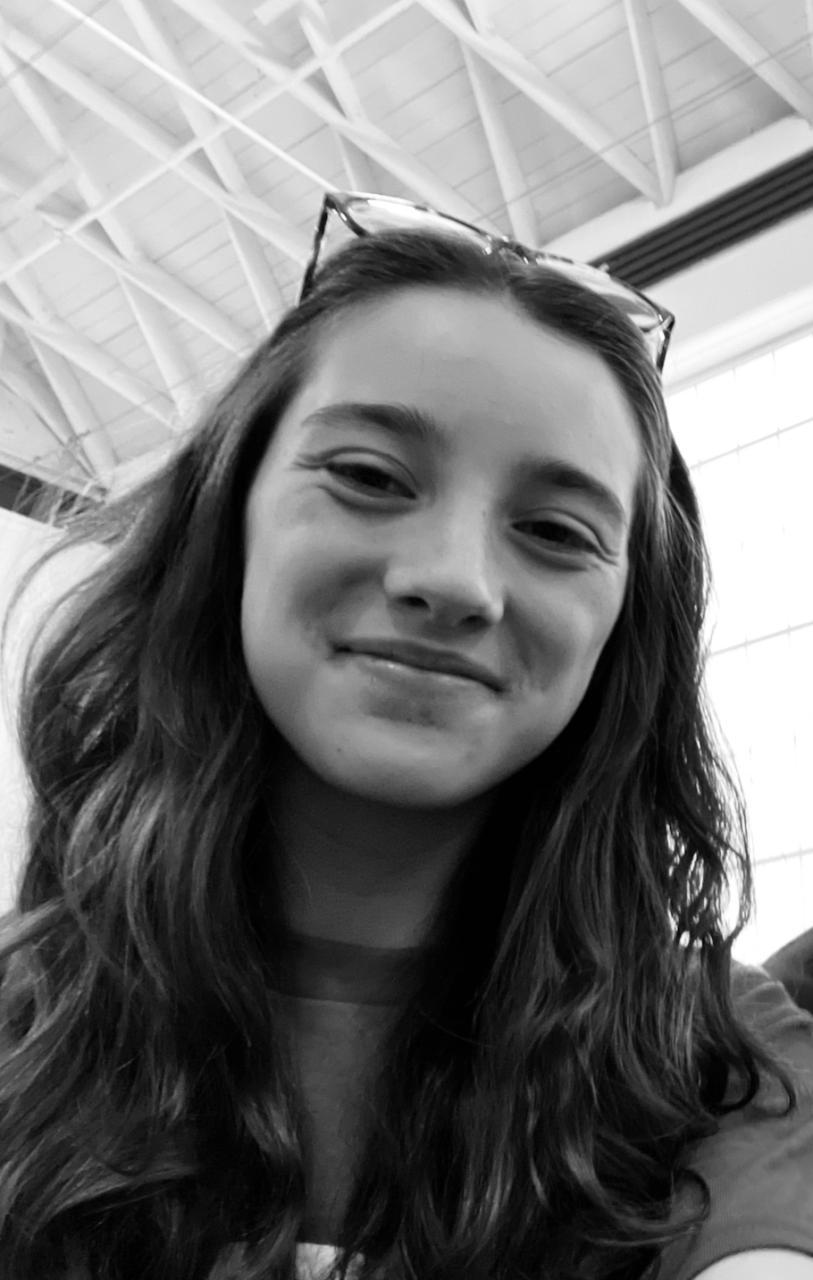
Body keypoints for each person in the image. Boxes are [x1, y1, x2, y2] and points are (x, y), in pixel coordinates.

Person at [0, 191, 811, 1280]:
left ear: (627, 627)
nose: (453, 580)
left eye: (555, 531)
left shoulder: (713, 1052)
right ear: (227, 518)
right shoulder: (24, 1025)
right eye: (369, 477)